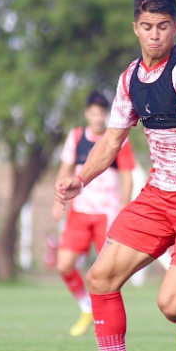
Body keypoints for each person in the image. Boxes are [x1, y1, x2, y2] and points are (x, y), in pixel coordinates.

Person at [56, 0, 176, 351]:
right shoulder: (130, 78)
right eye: (146, 27)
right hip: (156, 195)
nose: (154, 35)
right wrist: (81, 178)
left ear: (175, 27)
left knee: (170, 305)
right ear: (135, 28)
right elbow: (111, 142)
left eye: (162, 27)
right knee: (100, 277)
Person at [52, 91, 135, 337]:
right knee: (64, 264)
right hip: (80, 211)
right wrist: (58, 201)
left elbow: (127, 174)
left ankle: (107, 321)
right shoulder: (76, 137)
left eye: (102, 114)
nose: (98, 119)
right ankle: (86, 308)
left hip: (106, 214)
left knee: (106, 273)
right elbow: (65, 168)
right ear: (88, 113)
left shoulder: (118, 138)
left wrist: (124, 206)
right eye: (94, 113)